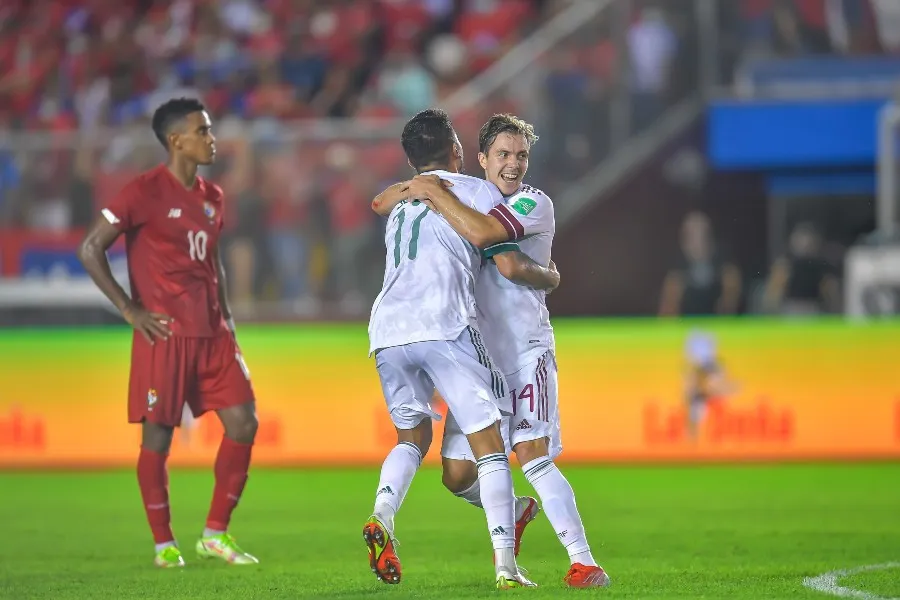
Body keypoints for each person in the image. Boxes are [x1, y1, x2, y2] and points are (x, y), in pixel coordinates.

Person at [372, 113, 610, 588]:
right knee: (457, 474)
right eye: (503, 154)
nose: (514, 164)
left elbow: (503, 260)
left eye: (521, 155)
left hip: (524, 352)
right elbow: (381, 201)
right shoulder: (469, 201)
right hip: (477, 353)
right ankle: (517, 513)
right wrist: (423, 191)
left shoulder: (529, 202)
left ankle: (583, 562)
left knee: (531, 454)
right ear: (479, 158)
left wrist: (551, 277)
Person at [77, 98, 259, 568]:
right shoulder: (141, 192)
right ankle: (164, 544)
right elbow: (90, 247)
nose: (211, 139)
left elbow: (212, 263)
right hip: (165, 335)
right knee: (158, 441)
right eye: (203, 130)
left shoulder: (212, 196)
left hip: (215, 333)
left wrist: (229, 320)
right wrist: (129, 308)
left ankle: (215, 533)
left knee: (244, 423)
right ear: (176, 139)